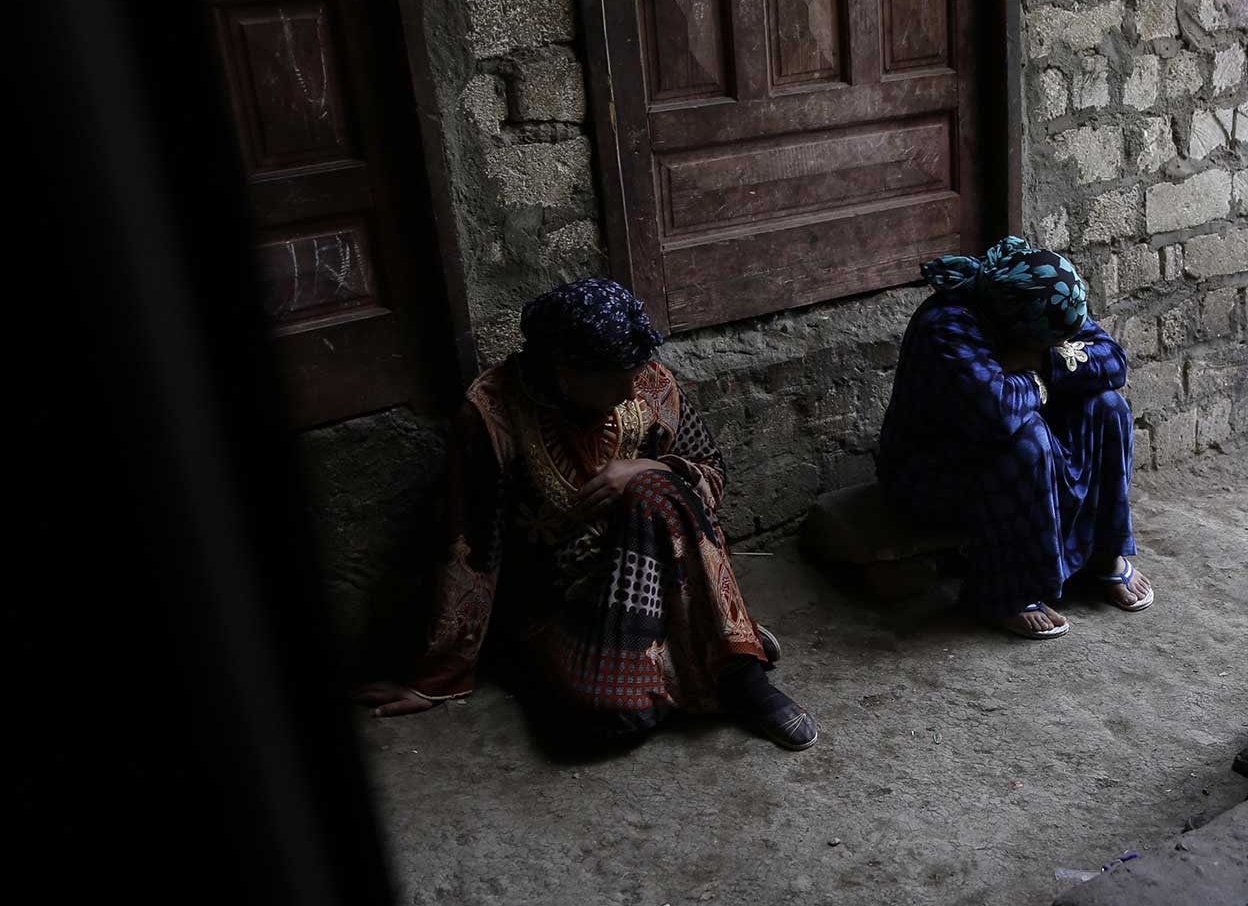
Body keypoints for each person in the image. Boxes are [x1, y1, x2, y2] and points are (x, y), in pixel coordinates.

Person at [357, 278, 816, 750]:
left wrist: (649, 465)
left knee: (655, 487)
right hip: (564, 603)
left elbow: (711, 475)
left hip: (660, 569)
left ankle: (743, 677)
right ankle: (706, 642)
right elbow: (472, 546)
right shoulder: (493, 413)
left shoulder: (650, 383)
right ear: (566, 372)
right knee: (616, 719)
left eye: (637, 370)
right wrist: (435, 675)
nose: (633, 386)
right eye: (617, 377)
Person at [877, 236, 1153, 639]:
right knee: (1027, 436)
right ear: (1017, 329)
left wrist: (1045, 360)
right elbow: (998, 410)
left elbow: (1113, 360)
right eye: (1049, 342)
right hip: (935, 472)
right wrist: (1044, 382)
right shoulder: (946, 327)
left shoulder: (1047, 297)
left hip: (1008, 440)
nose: (1063, 344)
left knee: (1109, 406)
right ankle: (1004, 592)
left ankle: (1102, 555)